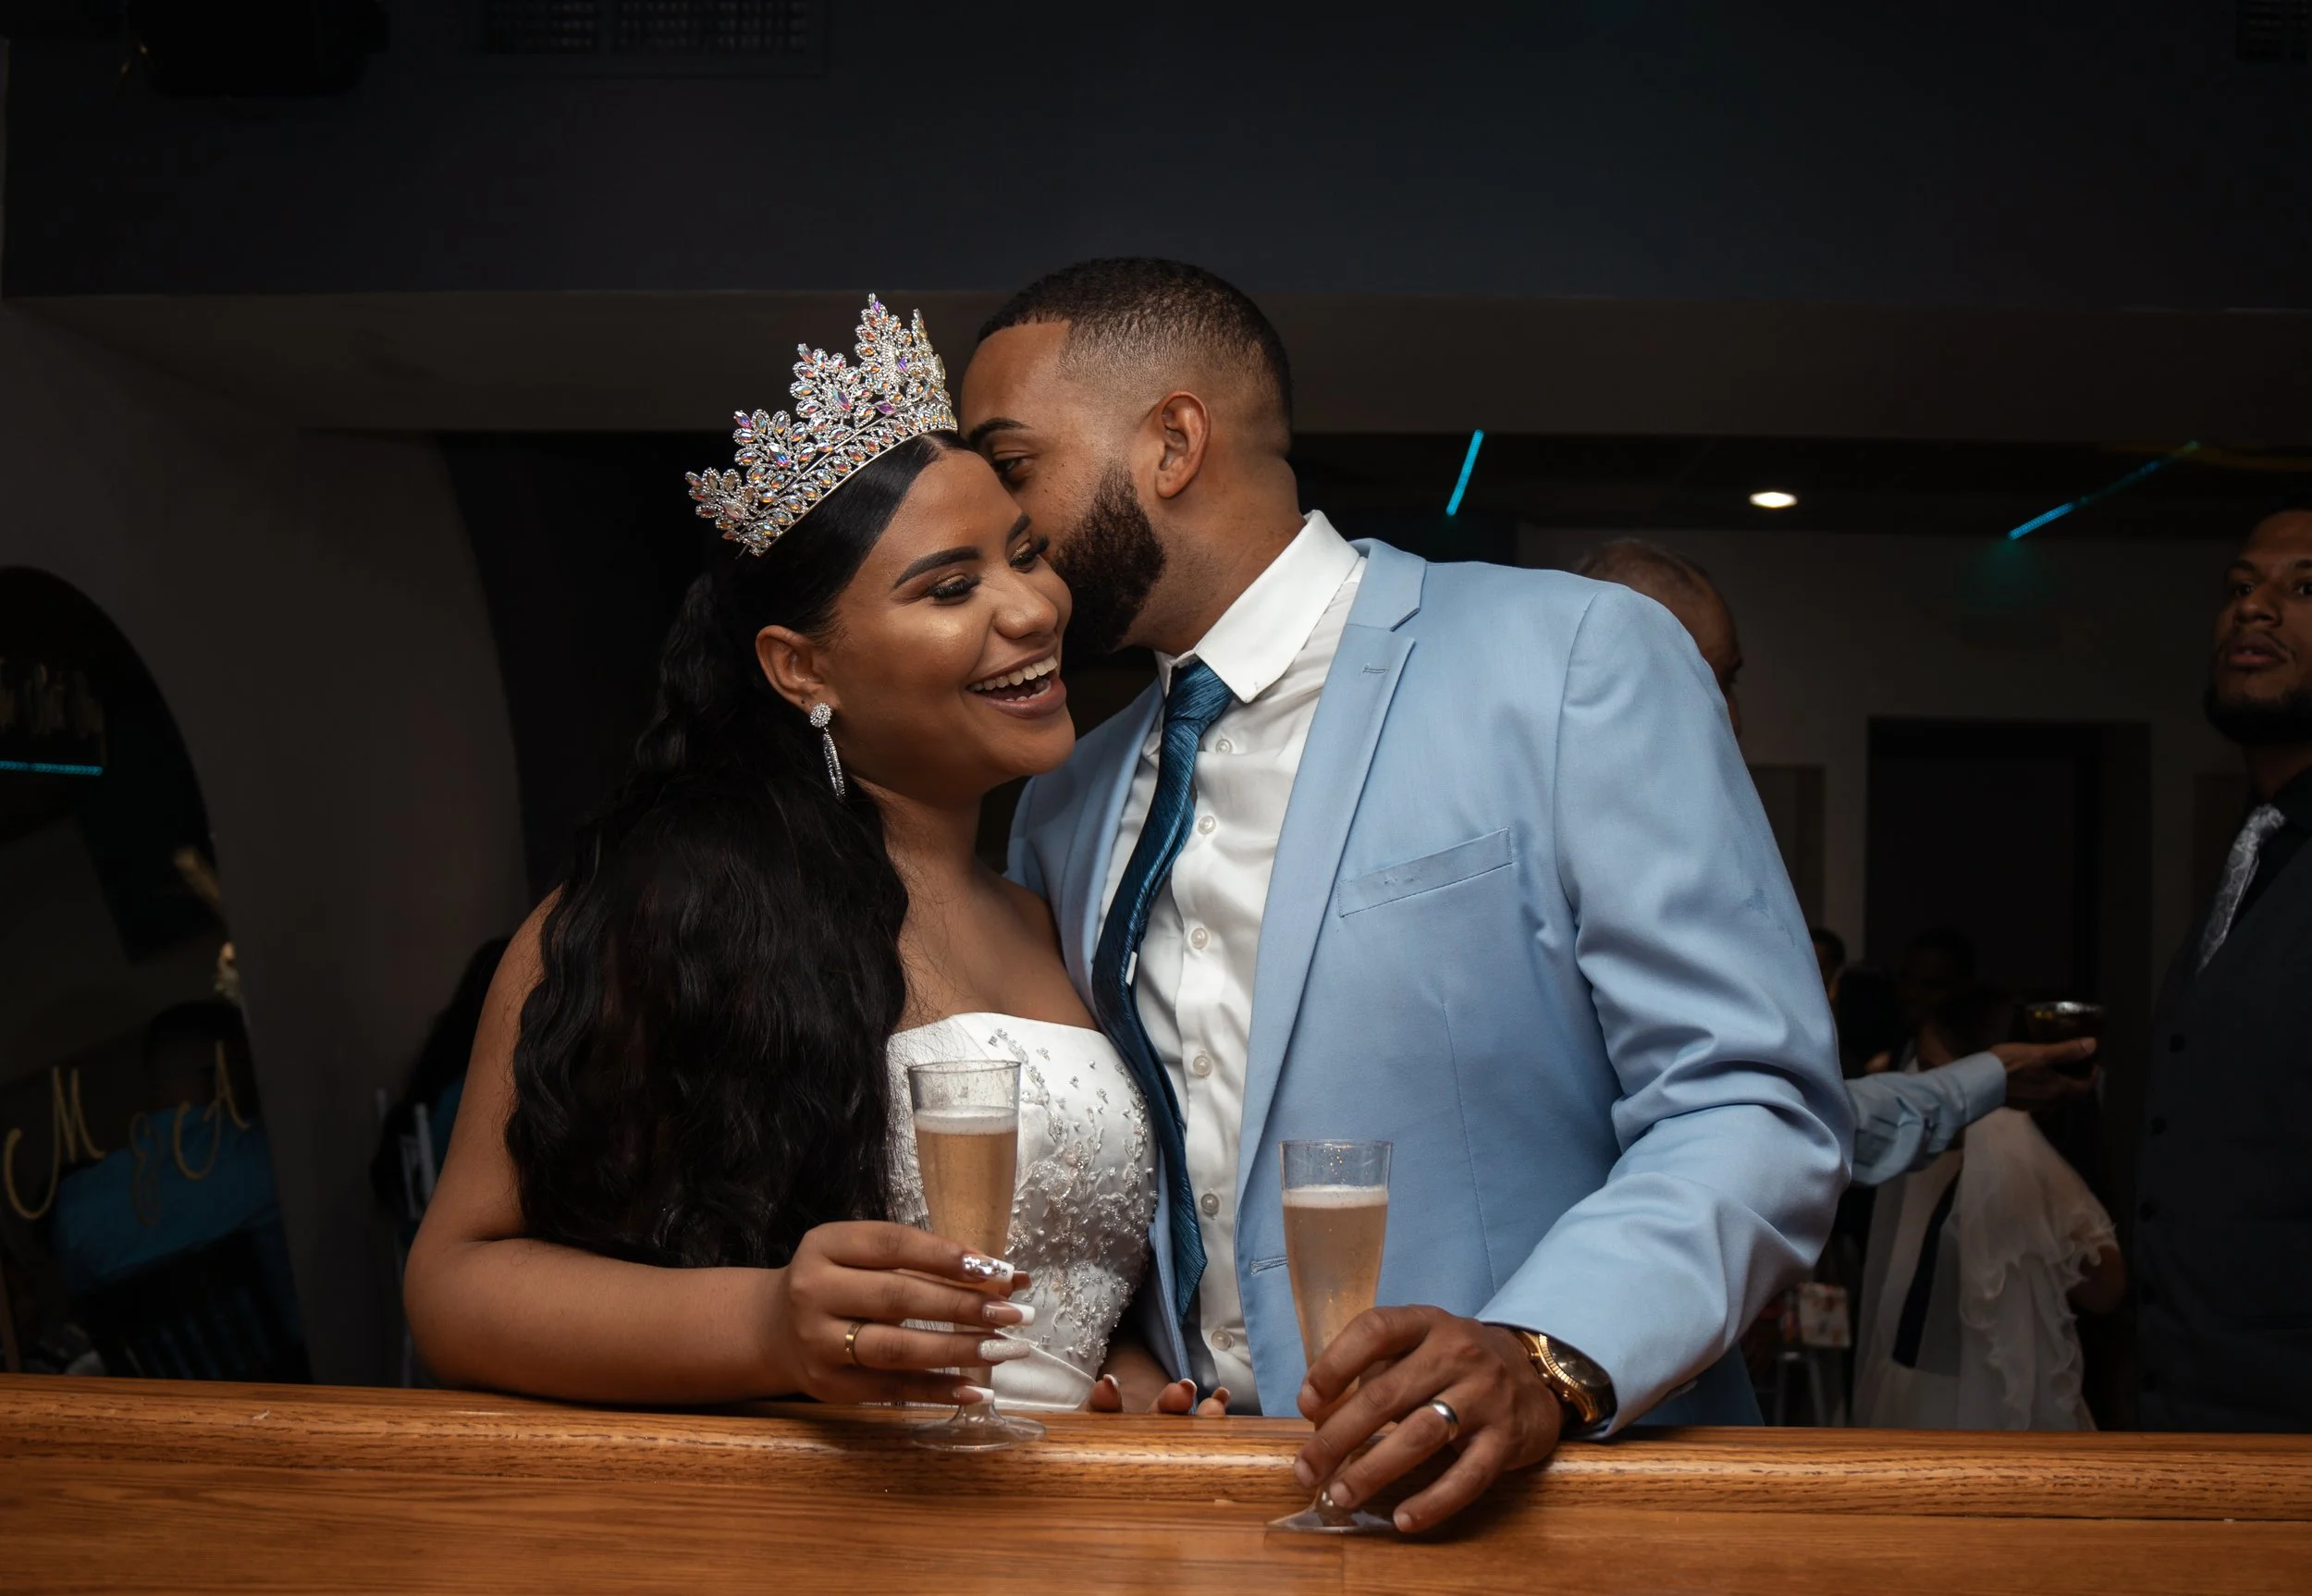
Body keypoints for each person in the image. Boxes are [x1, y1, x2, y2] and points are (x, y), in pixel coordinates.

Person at [966, 259, 1851, 1532]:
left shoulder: (1571, 661)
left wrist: (1545, 1352)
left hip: (1559, 1520)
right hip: (1212, 1521)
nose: (995, 522)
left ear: (1173, 441)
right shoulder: (1067, 799)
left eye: (1012, 464)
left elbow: (1753, 1096)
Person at [404, 298, 1216, 1417]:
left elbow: (1079, 1287)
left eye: (1023, 554)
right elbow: (455, 1285)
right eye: (950, 586)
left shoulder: (1048, 915)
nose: (1032, 608)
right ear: (801, 669)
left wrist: (1124, 1385)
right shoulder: (676, 907)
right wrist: (765, 1325)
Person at [1576, 539, 2097, 1186]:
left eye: (1732, 680)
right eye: (1704, 684)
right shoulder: (1540, 884)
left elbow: (1787, 1125)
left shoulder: (1705, 865)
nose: (1731, 719)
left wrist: (1986, 1078)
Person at [2135, 497, 2312, 1432]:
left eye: (2304, 588)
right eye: (2239, 587)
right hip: (2204, 1426)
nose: (2254, 608)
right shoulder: (2256, 842)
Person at [1852, 986, 2124, 1430]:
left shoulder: (2025, 1168)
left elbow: (2107, 1289)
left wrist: (2043, 1229)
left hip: (1979, 1414)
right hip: (1910, 1397)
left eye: (1938, 1075)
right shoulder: (1925, 1165)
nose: (1923, 1090)